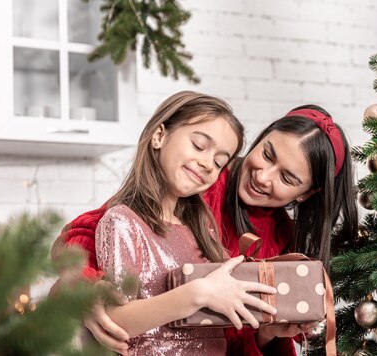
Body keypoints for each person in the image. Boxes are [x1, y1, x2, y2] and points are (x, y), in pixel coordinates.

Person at [52, 104, 358, 355]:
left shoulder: (283, 245)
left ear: (306, 194)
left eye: (288, 179)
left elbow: (232, 341)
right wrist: (88, 290)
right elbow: (82, 235)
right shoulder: (198, 183)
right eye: (266, 154)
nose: (264, 177)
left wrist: (265, 334)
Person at [67, 90, 279, 356]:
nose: (206, 163)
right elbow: (116, 319)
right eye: (199, 146)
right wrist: (196, 294)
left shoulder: (204, 231)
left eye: (218, 162)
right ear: (159, 135)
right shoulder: (123, 221)